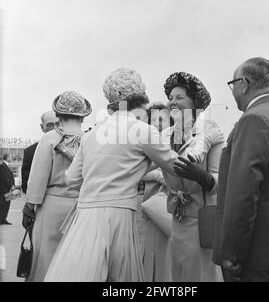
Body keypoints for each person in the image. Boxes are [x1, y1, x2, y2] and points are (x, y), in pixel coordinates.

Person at [44, 68, 179, 282]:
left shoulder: (92, 134)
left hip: (86, 214)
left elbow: (71, 179)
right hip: (119, 214)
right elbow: (174, 165)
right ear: (141, 96)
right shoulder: (144, 131)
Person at [213, 57, 269, 282]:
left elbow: (243, 194)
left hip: (261, 255)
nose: (232, 92)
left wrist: (231, 253)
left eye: (233, 84)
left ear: (244, 83)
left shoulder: (254, 120)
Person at [21, 91, 92, 282]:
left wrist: (30, 206)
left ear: (59, 115)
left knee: (46, 258)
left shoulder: (49, 138)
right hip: (81, 208)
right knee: (75, 260)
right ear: (82, 117)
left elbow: (38, 178)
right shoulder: (91, 139)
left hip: (51, 206)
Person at [162, 71, 224, 282]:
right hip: (176, 219)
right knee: (177, 275)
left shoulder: (211, 132)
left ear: (194, 102)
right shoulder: (165, 135)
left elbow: (220, 181)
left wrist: (204, 178)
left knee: (200, 275)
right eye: (170, 98)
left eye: (179, 97)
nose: (173, 102)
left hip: (201, 221)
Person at [142, 102, 173, 282]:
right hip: (146, 203)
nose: (159, 123)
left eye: (163, 119)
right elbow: (134, 172)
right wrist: (161, 176)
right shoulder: (144, 141)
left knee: (166, 253)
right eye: (154, 119)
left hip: (168, 205)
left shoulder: (176, 140)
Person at [21, 111, 59, 194]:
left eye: (58, 124)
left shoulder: (77, 147)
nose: (55, 128)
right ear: (42, 127)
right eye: (50, 125)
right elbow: (26, 186)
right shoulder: (30, 152)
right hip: (41, 203)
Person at [0, 154, 15, 225]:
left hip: (9, 189)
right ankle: (1, 219)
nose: (11, 158)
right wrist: (11, 186)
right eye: (10, 157)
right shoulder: (2, 166)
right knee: (3, 205)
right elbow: (5, 178)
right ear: (7, 157)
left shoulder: (7, 165)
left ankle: (4, 218)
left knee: (7, 205)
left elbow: (9, 177)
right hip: (5, 189)